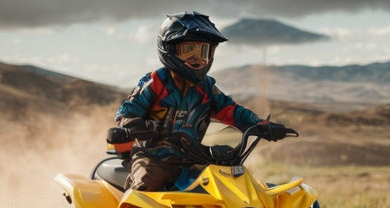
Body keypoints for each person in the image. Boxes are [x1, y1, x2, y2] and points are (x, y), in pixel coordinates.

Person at [115, 11, 289, 191]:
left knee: (229, 188)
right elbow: (126, 112)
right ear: (169, 49)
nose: (197, 58)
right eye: (188, 50)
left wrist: (263, 126)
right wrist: (135, 125)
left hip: (193, 160)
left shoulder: (206, 88)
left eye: (203, 51)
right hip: (152, 158)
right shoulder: (156, 81)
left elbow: (232, 111)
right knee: (146, 183)